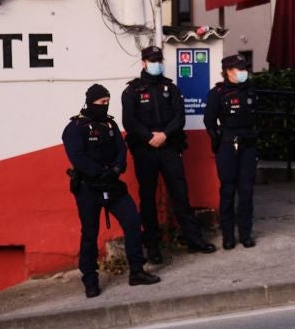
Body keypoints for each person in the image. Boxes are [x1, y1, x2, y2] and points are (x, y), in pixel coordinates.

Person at [61, 84, 162, 298]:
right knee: (90, 234)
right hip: (89, 187)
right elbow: (77, 156)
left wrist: (116, 168)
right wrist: (98, 172)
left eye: (107, 102)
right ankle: (90, 280)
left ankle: (137, 271)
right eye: (101, 102)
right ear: (91, 102)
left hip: (112, 184)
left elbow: (121, 149)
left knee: (132, 221)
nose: (105, 106)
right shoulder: (76, 127)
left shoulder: (110, 124)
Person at [122, 45, 216, 260]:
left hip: (169, 147)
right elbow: (129, 121)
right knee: (148, 198)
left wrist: (164, 135)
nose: (157, 64)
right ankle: (153, 247)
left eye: (159, 60)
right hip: (145, 150)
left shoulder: (171, 88)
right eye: (152, 61)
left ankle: (193, 239)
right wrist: (149, 137)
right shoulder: (132, 91)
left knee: (180, 193)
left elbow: (179, 117)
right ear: (143, 63)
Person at [205, 54, 260, 250]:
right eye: (239, 69)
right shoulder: (218, 93)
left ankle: (245, 233)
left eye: (245, 68)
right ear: (228, 71)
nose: (243, 72)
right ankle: (228, 235)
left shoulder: (251, 91)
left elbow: (258, 118)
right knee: (228, 190)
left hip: (248, 145)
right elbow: (209, 121)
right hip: (228, 145)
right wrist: (218, 140)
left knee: (246, 190)